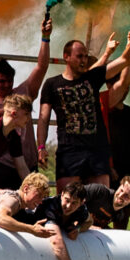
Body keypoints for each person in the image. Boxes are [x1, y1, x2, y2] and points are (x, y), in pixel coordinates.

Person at [35, 38, 111, 196]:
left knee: (99, 202)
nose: (83, 60)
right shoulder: (52, 84)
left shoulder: (91, 78)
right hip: (69, 152)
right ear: (66, 57)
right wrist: (41, 146)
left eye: (85, 57)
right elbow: (43, 118)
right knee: (67, 202)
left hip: (96, 150)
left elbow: (124, 63)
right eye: (79, 56)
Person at [0, 171, 80, 260]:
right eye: (38, 196)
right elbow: (56, 242)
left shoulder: (83, 210)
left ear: (82, 203)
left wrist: (79, 227)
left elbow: (88, 220)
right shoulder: (18, 201)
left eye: (75, 203)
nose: (69, 206)